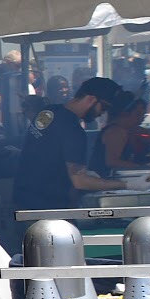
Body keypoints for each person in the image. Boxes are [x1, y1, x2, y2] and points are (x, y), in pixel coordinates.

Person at [12, 76, 131, 216]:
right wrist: (127, 185)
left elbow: (47, 152)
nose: (101, 114)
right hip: (47, 208)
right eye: (103, 107)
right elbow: (80, 181)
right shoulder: (73, 130)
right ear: (91, 99)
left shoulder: (49, 111)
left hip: (23, 201)